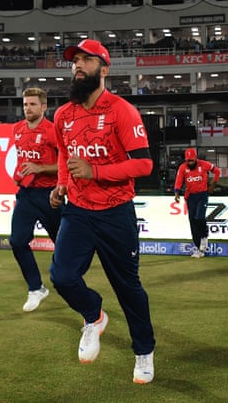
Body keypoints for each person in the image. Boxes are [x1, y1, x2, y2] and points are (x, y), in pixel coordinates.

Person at [48, 39, 156, 384]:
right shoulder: (63, 115)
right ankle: (93, 316)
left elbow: (144, 165)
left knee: (128, 288)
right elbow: (65, 154)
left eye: (86, 60)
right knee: (62, 277)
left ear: (104, 69)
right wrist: (63, 183)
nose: (78, 65)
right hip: (77, 210)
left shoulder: (122, 111)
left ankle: (143, 353)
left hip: (115, 212)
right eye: (75, 61)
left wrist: (95, 173)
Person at [9, 87, 62, 312]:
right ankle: (35, 288)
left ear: (43, 106)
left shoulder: (52, 131)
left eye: (32, 104)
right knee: (17, 241)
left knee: (63, 244)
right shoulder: (17, 129)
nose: (27, 108)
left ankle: (68, 282)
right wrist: (19, 174)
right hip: (27, 195)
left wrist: (39, 169)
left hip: (50, 195)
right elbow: (23, 158)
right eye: (25, 104)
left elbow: (64, 164)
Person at [173, 147, 221, 258]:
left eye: (192, 160)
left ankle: (204, 236)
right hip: (190, 197)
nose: (190, 162)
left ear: (195, 158)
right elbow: (179, 180)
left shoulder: (204, 164)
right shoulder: (182, 168)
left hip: (202, 195)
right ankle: (199, 248)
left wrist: (213, 185)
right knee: (193, 221)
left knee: (199, 217)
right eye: (188, 161)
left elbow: (217, 171)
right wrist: (176, 193)